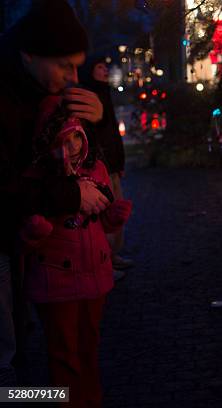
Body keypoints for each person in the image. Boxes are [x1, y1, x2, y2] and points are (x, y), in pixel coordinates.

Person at [0, 0, 107, 386]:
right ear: (29, 54)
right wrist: (71, 196)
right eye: (64, 64)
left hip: (26, 248)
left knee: (26, 351)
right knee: (7, 360)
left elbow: (82, 158)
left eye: (78, 64)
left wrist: (97, 119)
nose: (73, 76)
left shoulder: (38, 89)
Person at [19, 95, 131, 407]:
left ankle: (91, 399)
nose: (70, 150)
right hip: (56, 282)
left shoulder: (96, 169)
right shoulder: (40, 180)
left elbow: (100, 221)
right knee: (63, 353)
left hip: (94, 278)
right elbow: (25, 241)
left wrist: (113, 217)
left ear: (83, 137)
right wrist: (35, 231)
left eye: (75, 140)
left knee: (88, 348)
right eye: (62, 142)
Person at [81, 56, 134, 280]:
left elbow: (113, 133)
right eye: (99, 67)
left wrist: (119, 161)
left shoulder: (105, 93)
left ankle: (113, 255)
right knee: (105, 213)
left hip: (111, 163)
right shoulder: (90, 96)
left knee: (117, 210)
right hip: (99, 165)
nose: (104, 70)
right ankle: (105, 262)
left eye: (105, 67)